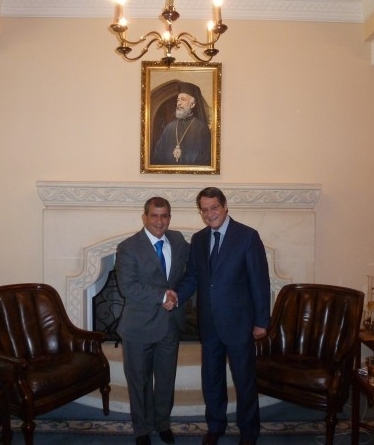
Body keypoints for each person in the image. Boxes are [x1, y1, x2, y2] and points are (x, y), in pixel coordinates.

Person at [171, 187, 271, 445]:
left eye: (214, 207)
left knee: (244, 380)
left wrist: (261, 321)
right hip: (209, 323)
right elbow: (193, 276)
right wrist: (176, 295)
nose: (209, 214)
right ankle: (215, 426)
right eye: (204, 210)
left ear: (225, 206)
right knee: (211, 378)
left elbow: (259, 281)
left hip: (239, 322)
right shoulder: (199, 239)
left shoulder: (247, 236)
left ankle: (249, 431)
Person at [115, 197, 190, 445]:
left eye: (164, 215)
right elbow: (128, 287)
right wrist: (162, 295)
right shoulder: (128, 247)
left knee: (166, 379)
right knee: (140, 381)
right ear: (145, 217)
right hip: (139, 327)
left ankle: (163, 423)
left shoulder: (178, 240)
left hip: (170, 323)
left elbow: (189, 272)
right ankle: (142, 429)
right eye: (155, 216)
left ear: (170, 217)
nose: (160, 221)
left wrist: (176, 296)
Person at [151, 82, 211, 166]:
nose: (179, 103)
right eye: (178, 100)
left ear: (192, 104)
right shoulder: (169, 128)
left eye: (183, 99)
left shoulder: (202, 129)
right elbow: (157, 157)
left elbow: (206, 160)